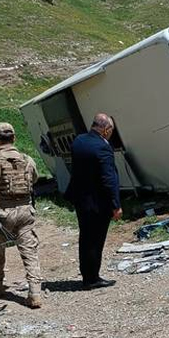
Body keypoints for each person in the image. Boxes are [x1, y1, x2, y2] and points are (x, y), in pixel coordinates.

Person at [0, 122, 41, 308]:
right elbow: (35, 178)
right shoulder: (28, 159)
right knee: (30, 252)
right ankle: (35, 294)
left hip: (3, 213)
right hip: (25, 212)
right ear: (14, 138)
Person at [65, 113, 122, 290]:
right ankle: (92, 278)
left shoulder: (79, 141)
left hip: (81, 198)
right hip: (98, 202)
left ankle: (87, 274)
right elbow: (108, 179)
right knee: (96, 240)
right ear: (106, 130)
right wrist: (116, 204)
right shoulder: (103, 148)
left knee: (86, 237)